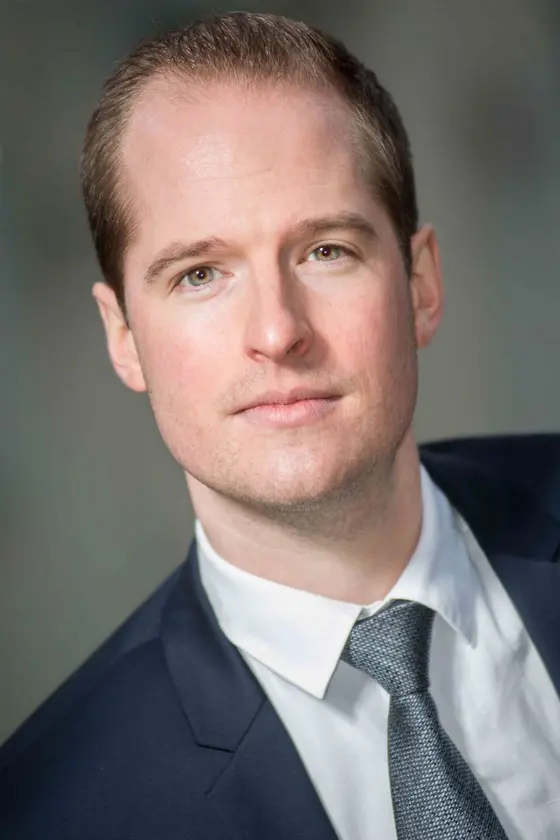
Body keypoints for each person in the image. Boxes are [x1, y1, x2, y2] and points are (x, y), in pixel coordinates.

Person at [1, 11, 559, 840]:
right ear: (123, 338)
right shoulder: (51, 812)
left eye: (325, 251)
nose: (276, 331)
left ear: (420, 284)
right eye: (200, 274)